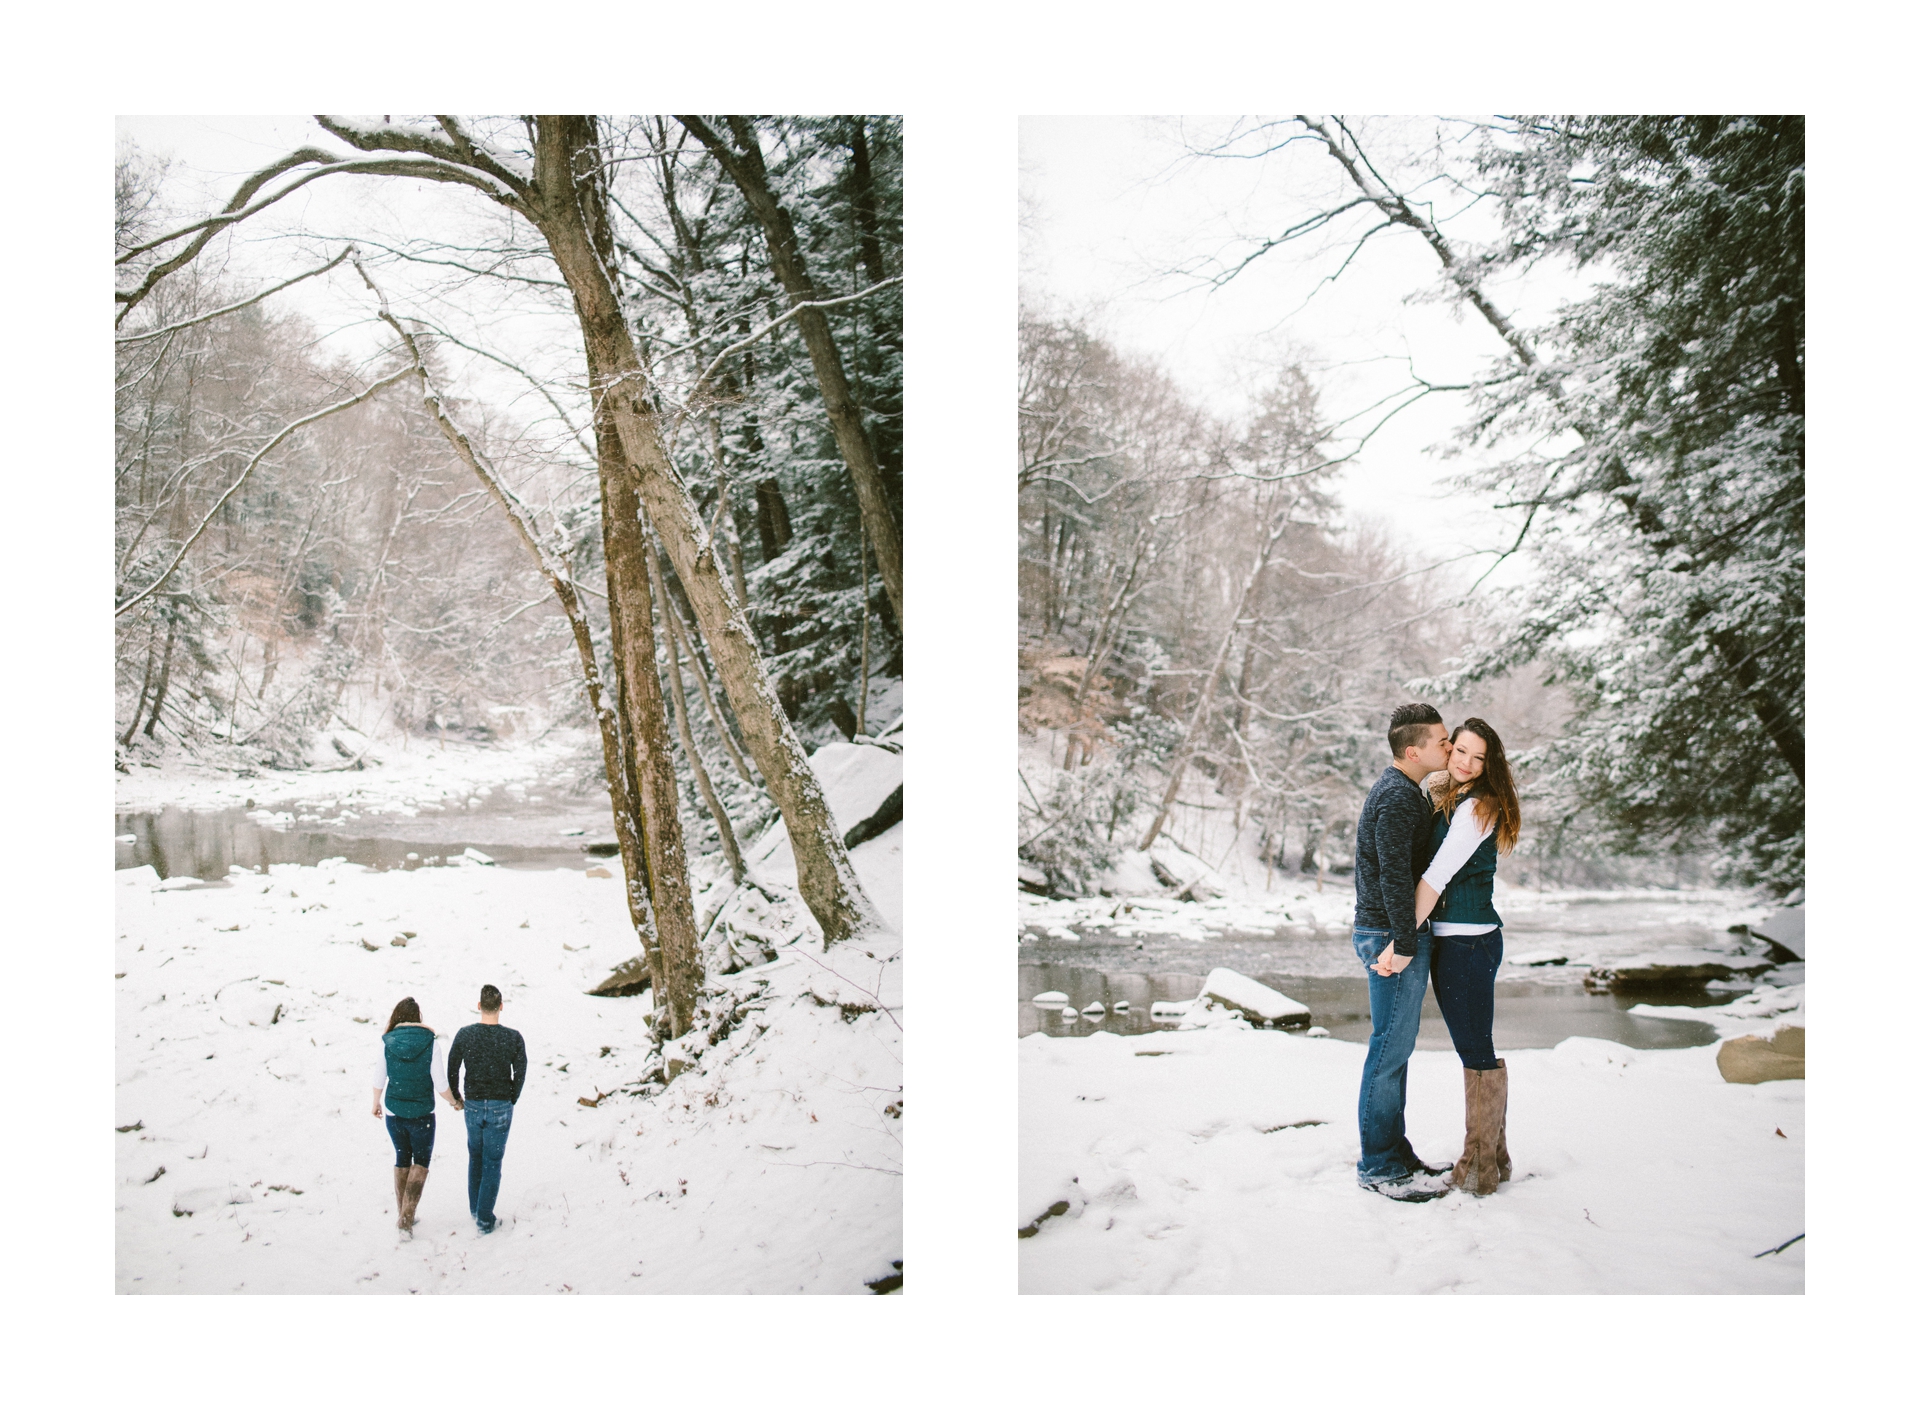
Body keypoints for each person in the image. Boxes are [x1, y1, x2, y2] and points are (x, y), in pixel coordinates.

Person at [1350, 703, 1455, 1201]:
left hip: (1393, 930)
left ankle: (1395, 1152)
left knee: (1397, 1050)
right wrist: (1405, 942)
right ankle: (1378, 1166)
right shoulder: (1395, 797)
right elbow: (1393, 873)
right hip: (1389, 934)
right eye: (1441, 741)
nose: (1449, 746)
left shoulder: (1406, 791)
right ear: (1413, 751)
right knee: (1388, 1051)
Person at [1414, 718, 1523, 1196]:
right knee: (1477, 1047)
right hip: (1462, 939)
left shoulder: (1478, 806)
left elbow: (1437, 875)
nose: (1466, 762)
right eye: (1461, 751)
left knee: (1474, 1050)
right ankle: (1493, 1157)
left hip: (1467, 942)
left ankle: (1478, 1168)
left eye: (1478, 757)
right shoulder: (1452, 797)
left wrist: (1400, 937)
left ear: (1489, 764)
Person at [370, 997, 458, 1233]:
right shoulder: (431, 1043)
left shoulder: (387, 1042)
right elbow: (440, 1083)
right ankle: (406, 1218)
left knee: (402, 1158)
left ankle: (403, 1216)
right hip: (422, 1114)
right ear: (418, 1017)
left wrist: (375, 1102)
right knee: (420, 1161)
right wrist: (454, 1102)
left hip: (393, 1112)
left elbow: (379, 1077)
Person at [446, 984, 527, 1235]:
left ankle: (476, 1209)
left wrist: (458, 1097)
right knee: (493, 1160)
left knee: (476, 1156)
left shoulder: (465, 1034)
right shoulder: (513, 1037)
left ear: (479, 1006)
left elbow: (452, 1067)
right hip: (500, 1104)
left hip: (472, 1104)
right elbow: (521, 1071)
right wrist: (512, 1096)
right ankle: (484, 1217)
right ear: (501, 1006)